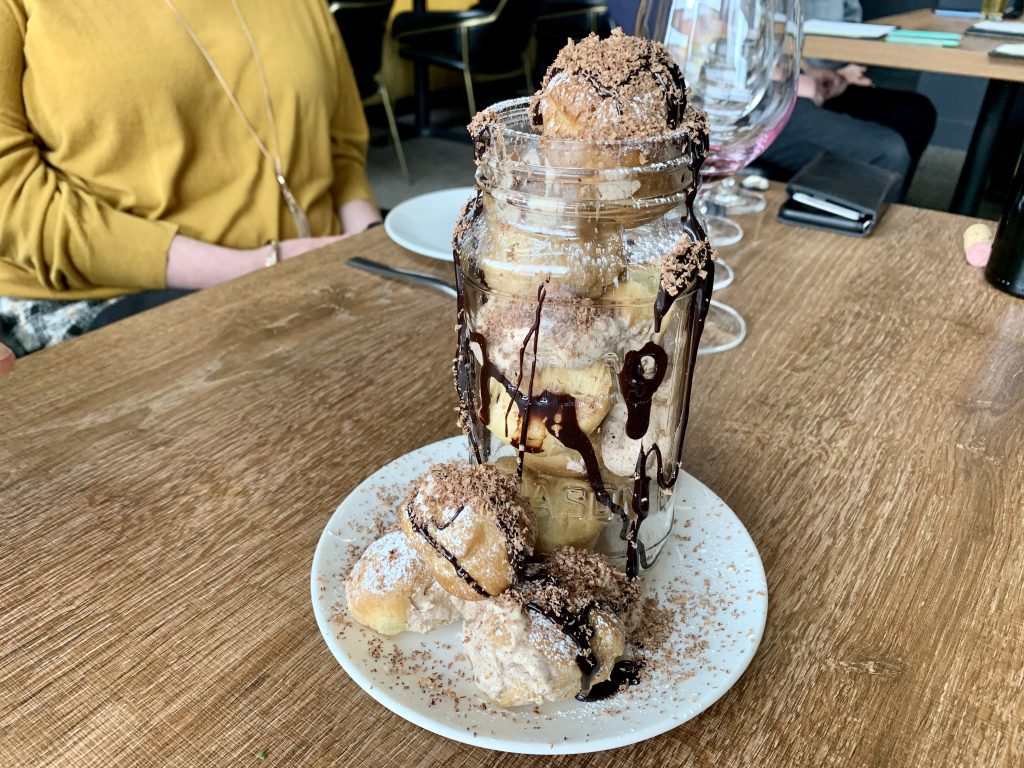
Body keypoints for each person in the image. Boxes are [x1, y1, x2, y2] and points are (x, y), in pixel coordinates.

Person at [0, 0, 382, 357]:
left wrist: (371, 238)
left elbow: (341, 143)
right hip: (110, 293)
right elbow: (11, 200)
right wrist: (257, 266)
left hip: (320, 259)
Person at [606, 0, 936, 199]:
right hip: (705, 105)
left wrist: (803, 72)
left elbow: (752, 36)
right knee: (885, 151)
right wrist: (789, 84)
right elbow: (670, 59)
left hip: (754, 93)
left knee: (914, 113)